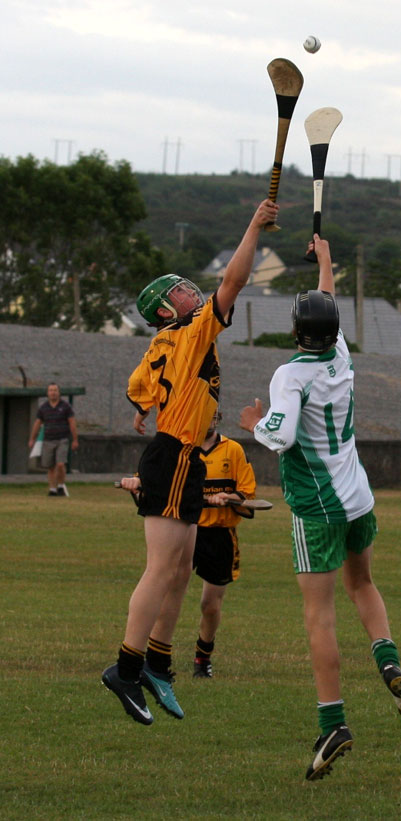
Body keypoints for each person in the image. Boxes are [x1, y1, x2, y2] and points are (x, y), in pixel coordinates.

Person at [239, 234, 401, 781]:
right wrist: (325, 262)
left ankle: (334, 723)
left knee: (319, 615)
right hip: (359, 497)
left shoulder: (289, 375)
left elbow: (283, 431)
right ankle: (387, 660)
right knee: (362, 584)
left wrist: (255, 425)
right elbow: (327, 308)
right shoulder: (341, 355)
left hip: (317, 509)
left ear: (297, 333)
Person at [101, 198, 278, 726]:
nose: (188, 291)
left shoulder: (164, 339)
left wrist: (141, 408)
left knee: (180, 570)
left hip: (181, 456)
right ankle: (125, 670)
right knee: (162, 569)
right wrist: (252, 225)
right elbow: (236, 282)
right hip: (176, 454)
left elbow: (141, 383)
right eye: (177, 290)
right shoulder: (192, 327)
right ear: (164, 309)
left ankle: (157, 662)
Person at [192, 409, 256, 678]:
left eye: (208, 414)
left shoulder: (234, 451)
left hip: (219, 535)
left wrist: (229, 497)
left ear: (216, 418)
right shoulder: (183, 448)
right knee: (165, 593)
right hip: (187, 530)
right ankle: (156, 658)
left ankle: (202, 658)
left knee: (210, 604)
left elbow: (248, 497)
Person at [28, 383, 79, 497]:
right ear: (47, 393)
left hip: (62, 439)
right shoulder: (43, 408)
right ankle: (52, 489)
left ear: (59, 392)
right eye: (51, 390)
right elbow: (37, 423)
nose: (53, 392)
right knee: (50, 466)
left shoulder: (66, 406)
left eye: (55, 390)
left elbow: (72, 423)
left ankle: (61, 486)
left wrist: (75, 439)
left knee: (60, 464)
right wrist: (32, 438)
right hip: (48, 440)